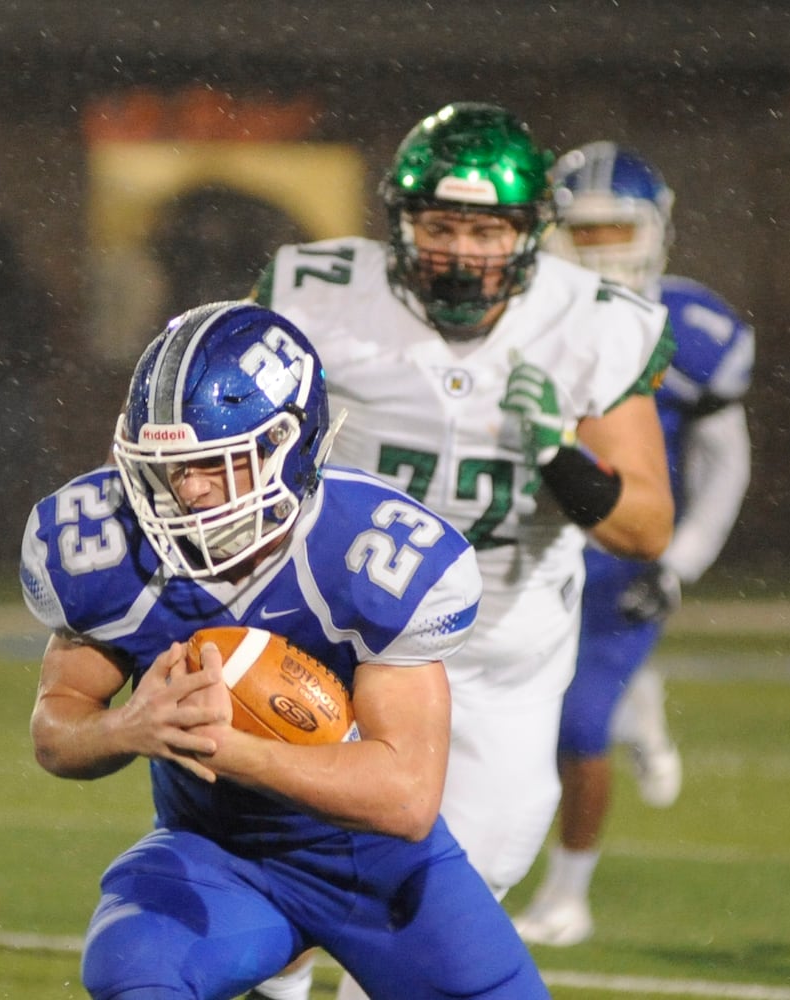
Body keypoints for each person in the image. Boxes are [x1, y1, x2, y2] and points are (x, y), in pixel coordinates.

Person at [252, 103, 675, 999]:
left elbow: (644, 527)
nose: (460, 251)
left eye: (487, 229)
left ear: (530, 236)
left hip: (497, 662)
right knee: (283, 893)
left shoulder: (589, 322)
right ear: (399, 225)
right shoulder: (319, 296)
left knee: (441, 910)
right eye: (440, 225)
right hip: (337, 637)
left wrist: (561, 452)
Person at [19, 300, 550, 1000]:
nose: (190, 489)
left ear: (285, 446)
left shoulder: (373, 552)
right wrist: (127, 728)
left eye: (217, 463)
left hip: (376, 862)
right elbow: (57, 729)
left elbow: (405, 798)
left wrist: (221, 746)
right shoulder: (105, 545)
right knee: (133, 967)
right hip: (219, 855)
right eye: (170, 467)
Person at [512, 141, 755, 946]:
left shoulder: (694, 327)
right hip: (529, 548)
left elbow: (726, 463)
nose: (602, 249)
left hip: (623, 550)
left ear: (657, 228)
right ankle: (636, 697)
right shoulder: (527, 314)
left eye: (618, 230)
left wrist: (680, 566)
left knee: (578, 726)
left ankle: (569, 893)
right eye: (585, 232)